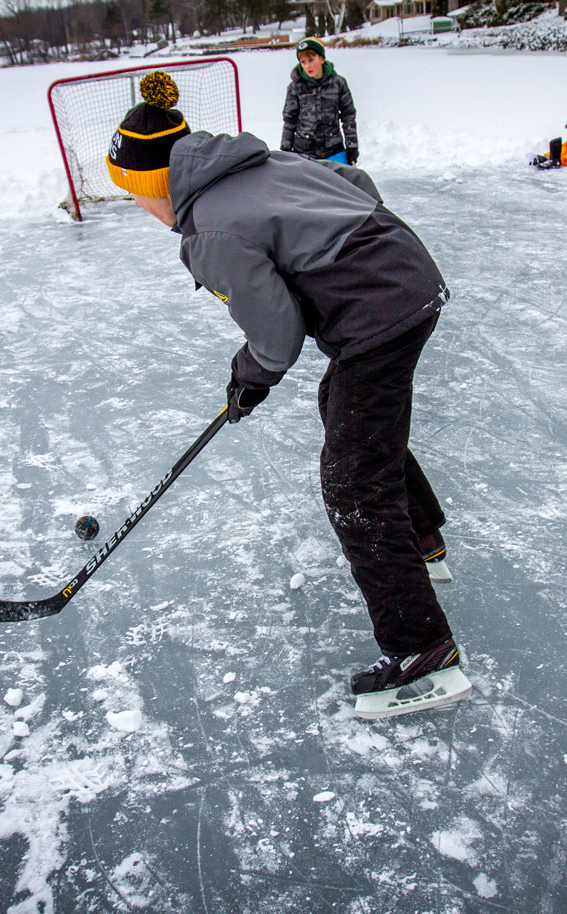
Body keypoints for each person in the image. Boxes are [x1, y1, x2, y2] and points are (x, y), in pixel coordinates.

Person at [105, 71, 465, 717]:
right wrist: (353, 243)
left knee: (354, 482)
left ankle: (422, 651)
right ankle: (424, 539)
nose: (136, 207)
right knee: (349, 413)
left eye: (131, 194)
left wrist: (249, 379)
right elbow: (353, 186)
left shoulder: (210, 231)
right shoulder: (260, 159)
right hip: (406, 272)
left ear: (152, 183)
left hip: (376, 314)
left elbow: (275, 333)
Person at [281, 37, 359, 166]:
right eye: (303, 62)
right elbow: (289, 120)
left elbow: (348, 116)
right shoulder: (295, 87)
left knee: (340, 184)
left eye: (311, 60)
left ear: (322, 59)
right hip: (304, 153)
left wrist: (352, 146)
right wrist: (286, 149)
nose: (307, 66)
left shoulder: (338, 83)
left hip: (333, 150)